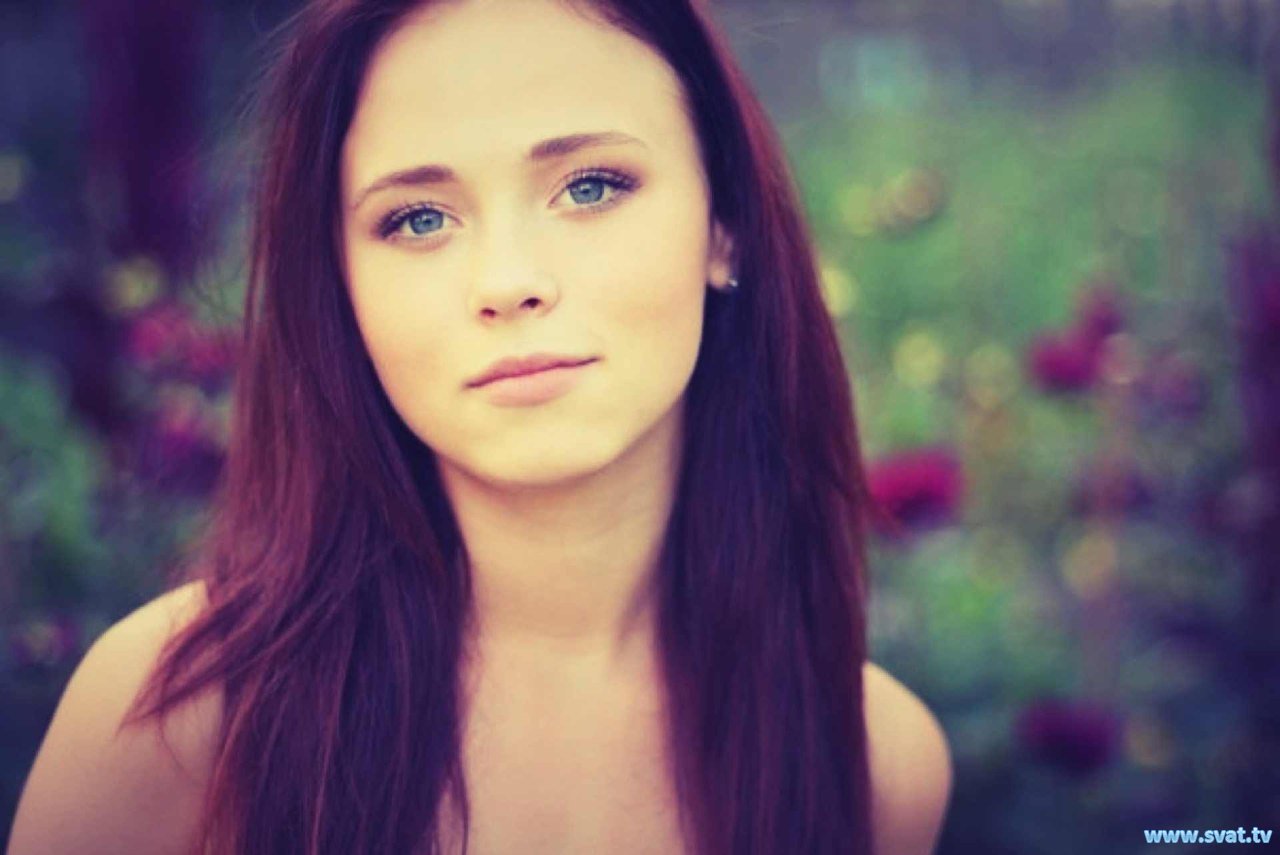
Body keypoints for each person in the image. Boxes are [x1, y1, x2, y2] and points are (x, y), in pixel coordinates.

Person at [7, 0, 952, 853]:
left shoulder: (878, 766)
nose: (507, 281)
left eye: (590, 186)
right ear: (340, 284)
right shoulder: (184, 720)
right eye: (419, 219)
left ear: (723, 222)